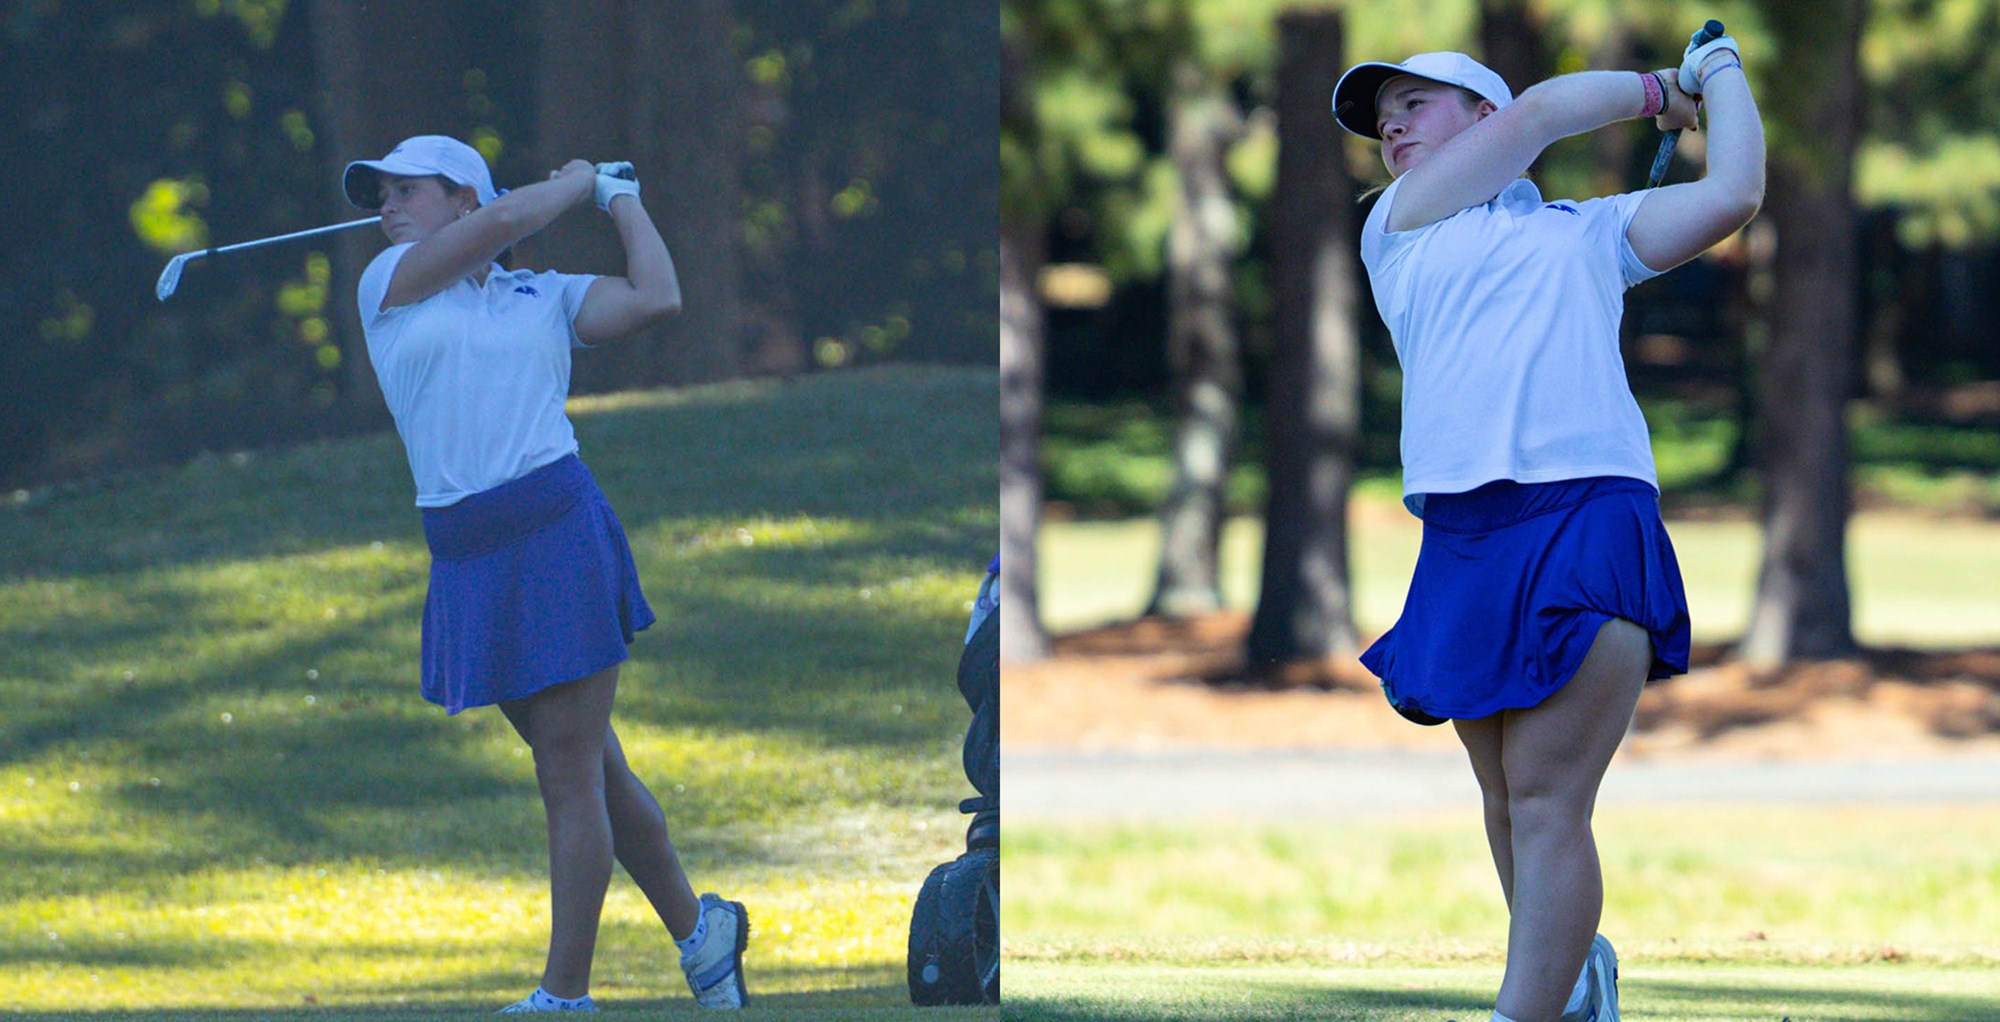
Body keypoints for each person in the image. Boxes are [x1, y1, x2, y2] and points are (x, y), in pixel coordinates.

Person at [1329, 31, 1763, 1022]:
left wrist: (1721, 70)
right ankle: (1573, 978)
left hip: (1587, 511)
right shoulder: (1397, 226)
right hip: (1464, 533)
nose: (1390, 123)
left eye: (1416, 102)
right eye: (1380, 115)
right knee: (1501, 801)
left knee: (1542, 795)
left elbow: (1734, 192)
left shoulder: (1587, 231)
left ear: (1479, 118)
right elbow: (1539, 117)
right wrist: (1661, 92)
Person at [340, 135, 749, 1012]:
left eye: (408, 190)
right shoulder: (390, 286)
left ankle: (565, 997)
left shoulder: (540, 296)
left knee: (568, 773)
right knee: (592, 768)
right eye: (381, 193)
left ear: (461, 199)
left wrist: (616, 196)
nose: (388, 205)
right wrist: (573, 184)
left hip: (557, 530)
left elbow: (658, 296)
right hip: (467, 553)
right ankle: (702, 933)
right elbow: (511, 217)